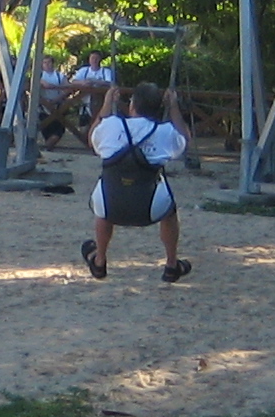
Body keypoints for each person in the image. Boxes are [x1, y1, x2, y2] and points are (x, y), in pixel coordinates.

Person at [82, 78, 192, 282]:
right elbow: (185, 139)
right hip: (150, 208)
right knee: (170, 212)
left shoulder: (112, 125)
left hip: (111, 204)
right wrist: (174, 107)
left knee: (105, 196)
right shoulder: (164, 132)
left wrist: (107, 104)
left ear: (132, 104)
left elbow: (91, 138)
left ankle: (100, 259)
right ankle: (171, 264)